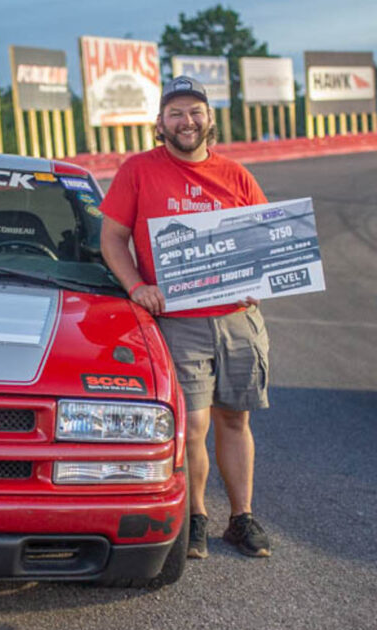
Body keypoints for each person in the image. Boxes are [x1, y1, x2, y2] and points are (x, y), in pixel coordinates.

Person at [99, 76, 271, 559]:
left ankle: (242, 518)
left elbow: (266, 241)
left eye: (195, 111)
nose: (186, 121)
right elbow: (111, 238)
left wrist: (261, 280)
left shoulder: (236, 176)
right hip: (177, 320)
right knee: (192, 424)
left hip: (237, 319)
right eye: (176, 112)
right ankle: (195, 517)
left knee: (234, 419)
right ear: (160, 122)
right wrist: (137, 286)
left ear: (209, 118)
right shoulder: (138, 171)